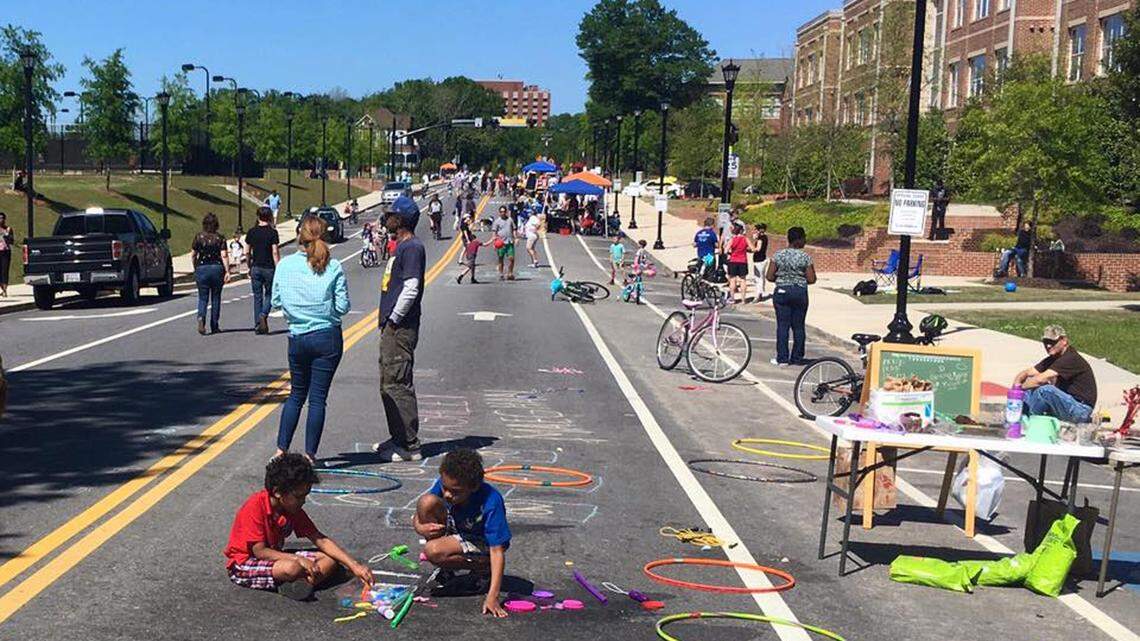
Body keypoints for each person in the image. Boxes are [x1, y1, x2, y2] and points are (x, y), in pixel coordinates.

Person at [224, 453, 372, 600]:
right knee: (292, 568)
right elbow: (260, 552)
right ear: (277, 492)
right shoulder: (255, 506)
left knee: (329, 559)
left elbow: (319, 539)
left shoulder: (291, 508)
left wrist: (354, 565)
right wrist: (297, 559)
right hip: (245, 564)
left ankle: (300, 583)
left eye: (305, 496)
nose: (303, 501)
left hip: (275, 556)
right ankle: (298, 579)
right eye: (299, 496)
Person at [271, 215, 349, 464]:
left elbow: (275, 300)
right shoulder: (332, 266)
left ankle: (281, 449)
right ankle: (309, 454)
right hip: (326, 335)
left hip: (297, 336)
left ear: (299, 236)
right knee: (317, 398)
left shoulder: (284, 266)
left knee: (296, 394)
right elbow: (343, 306)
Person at [413, 449, 510, 618]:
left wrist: (493, 596)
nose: (448, 494)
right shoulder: (447, 484)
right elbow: (417, 517)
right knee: (425, 502)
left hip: (483, 542)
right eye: (445, 488)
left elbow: (497, 550)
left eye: (455, 491)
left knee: (432, 551)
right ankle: (447, 569)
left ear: (473, 487)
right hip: (459, 529)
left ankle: (483, 568)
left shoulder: (491, 501)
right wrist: (420, 528)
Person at [372, 197, 426, 462]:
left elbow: (411, 287)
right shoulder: (400, 247)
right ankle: (397, 437)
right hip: (393, 325)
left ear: (402, 220)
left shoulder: (412, 248)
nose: (387, 218)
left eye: (391, 215)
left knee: (398, 383)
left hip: (400, 327)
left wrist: (394, 319)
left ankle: (408, 444)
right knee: (388, 383)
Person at [1012, 325, 1098, 424]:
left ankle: (1030, 423)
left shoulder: (1071, 358)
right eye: (1045, 342)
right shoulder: (1053, 359)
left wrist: (1018, 389)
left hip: (1080, 409)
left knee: (1045, 390)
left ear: (1064, 341)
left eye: (1052, 342)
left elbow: (1040, 380)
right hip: (1066, 404)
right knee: (1029, 388)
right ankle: (1017, 419)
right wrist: (1016, 386)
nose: (1048, 346)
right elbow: (1026, 373)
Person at [766, 226, 816, 366]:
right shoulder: (805, 257)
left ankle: (782, 358)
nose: (805, 240)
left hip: (782, 291)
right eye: (804, 238)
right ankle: (797, 357)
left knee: (783, 326)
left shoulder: (778, 255)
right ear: (798, 240)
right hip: (799, 292)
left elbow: (769, 276)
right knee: (798, 326)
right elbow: (811, 279)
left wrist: (783, 279)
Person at [191, 213, 230, 335]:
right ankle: (214, 324)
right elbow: (224, 255)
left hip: (202, 267)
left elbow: (193, 254)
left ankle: (201, 317)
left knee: (203, 297)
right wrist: (227, 271)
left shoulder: (198, 237)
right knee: (216, 297)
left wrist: (195, 267)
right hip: (217, 268)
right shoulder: (220, 238)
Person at [246, 207, 281, 334]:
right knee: (270, 294)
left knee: (257, 296)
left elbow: (247, 251)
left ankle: (257, 325)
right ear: (270, 217)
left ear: (258, 217)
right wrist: (279, 267)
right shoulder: (272, 233)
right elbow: (275, 252)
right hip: (269, 267)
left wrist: (249, 264)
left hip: (256, 266)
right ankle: (264, 314)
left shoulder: (251, 232)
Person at [725, 222, 753, 304]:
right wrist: (745, 249)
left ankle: (733, 298)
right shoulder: (745, 239)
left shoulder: (732, 239)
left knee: (732, 280)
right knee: (743, 280)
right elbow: (752, 249)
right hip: (743, 261)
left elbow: (726, 250)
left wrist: (731, 252)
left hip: (733, 260)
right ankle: (743, 299)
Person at [489, 206, 517, 281]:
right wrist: (494, 243)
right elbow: (494, 232)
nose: (503, 213)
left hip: (509, 242)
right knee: (500, 259)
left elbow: (514, 229)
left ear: (506, 212)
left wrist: (516, 238)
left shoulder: (510, 220)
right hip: (501, 243)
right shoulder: (497, 221)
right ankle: (501, 274)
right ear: (499, 212)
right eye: (501, 212)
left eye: (504, 211)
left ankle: (510, 273)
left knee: (511, 258)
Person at [457, 220, 481, 285]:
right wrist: (468, 240)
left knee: (473, 266)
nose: (469, 219)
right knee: (470, 266)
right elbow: (465, 232)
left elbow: (469, 229)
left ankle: (473, 278)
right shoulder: (464, 226)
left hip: (470, 254)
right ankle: (461, 276)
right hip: (471, 254)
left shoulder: (465, 226)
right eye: (468, 218)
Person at [751, 223, 770, 302]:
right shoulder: (764, 237)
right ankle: (761, 293)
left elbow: (757, 249)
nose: (754, 231)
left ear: (760, 230)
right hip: (763, 259)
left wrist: (749, 248)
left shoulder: (761, 239)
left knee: (758, 278)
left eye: (755, 229)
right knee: (761, 277)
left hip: (759, 260)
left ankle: (758, 294)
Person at [0, 212, 13, 298]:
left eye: (2, 218)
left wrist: (7, 236)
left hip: (5, 252)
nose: (1, 220)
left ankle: (5, 290)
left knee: (4, 271)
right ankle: (2, 289)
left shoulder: (8, 229)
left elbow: (12, 241)